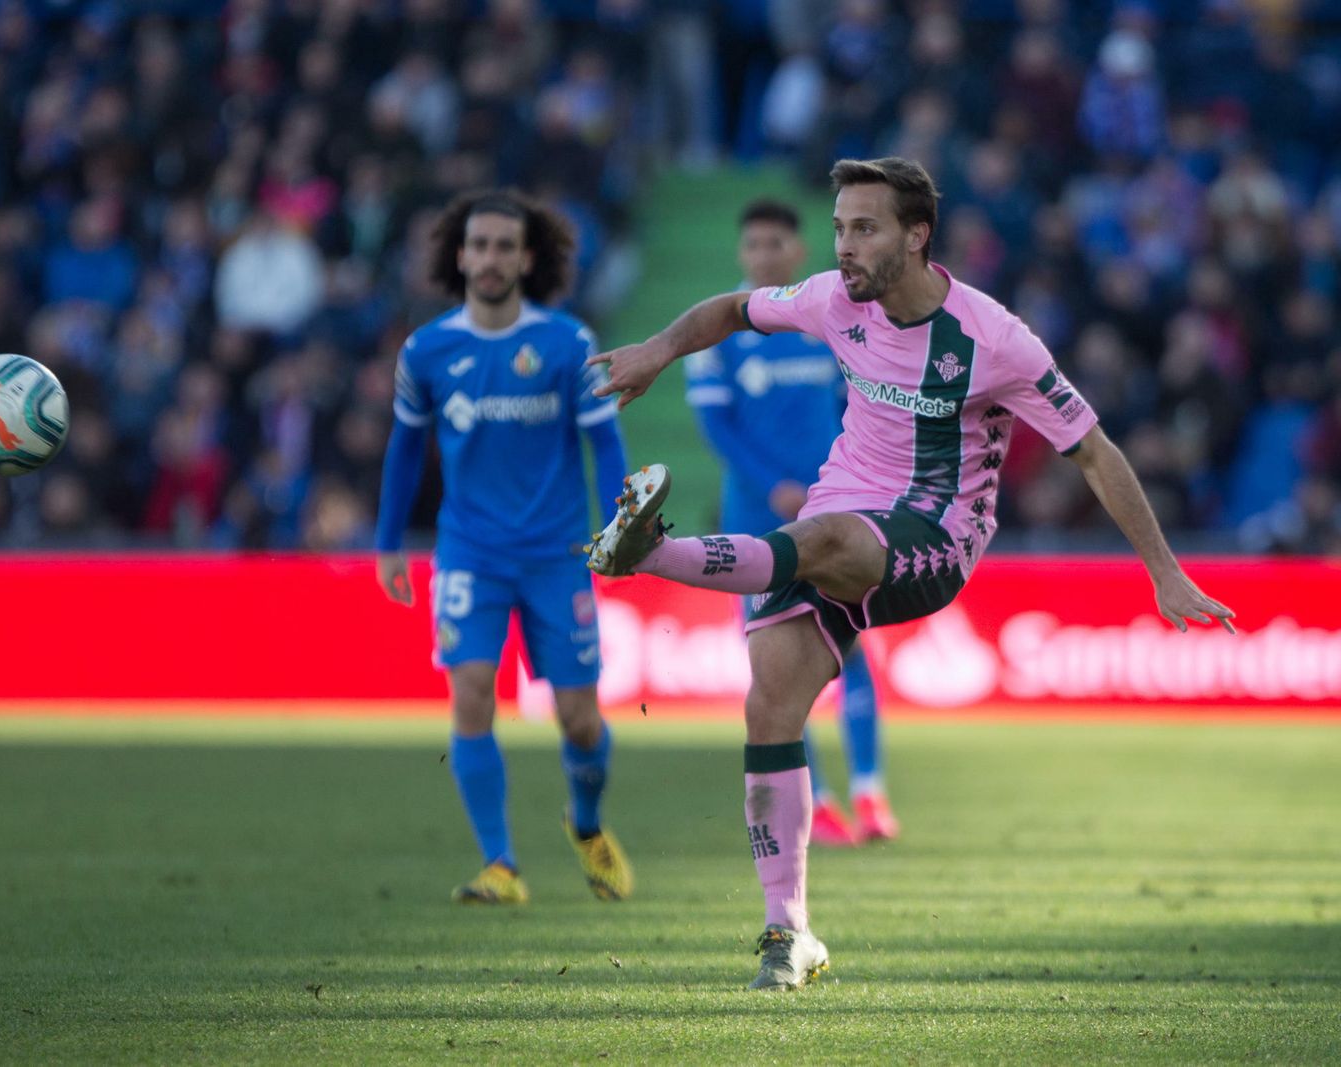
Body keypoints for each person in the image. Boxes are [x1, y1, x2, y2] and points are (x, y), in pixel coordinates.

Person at [585, 157, 1235, 990]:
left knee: (820, 540)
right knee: (770, 702)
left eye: (865, 229)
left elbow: (1096, 454)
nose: (844, 246)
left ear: (916, 236)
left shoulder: (995, 339)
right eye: (839, 228)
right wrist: (657, 350)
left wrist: (1163, 570)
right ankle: (790, 933)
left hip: (936, 535)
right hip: (835, 511)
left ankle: (652, 553)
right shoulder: (829, 299)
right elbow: (730, 310)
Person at [376, 189, 634, 906]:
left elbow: (603, 440)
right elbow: (405, 448)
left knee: (580, 717)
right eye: (478, 244)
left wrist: (620, 523)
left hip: (556, 555)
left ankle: (585, 825)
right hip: (470, 554)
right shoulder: (427, 350)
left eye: (503, 246)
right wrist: (388, 540)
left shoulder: (567, 343)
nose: (490, 257)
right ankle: (501, 863)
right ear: (459, 256)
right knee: (470, 695)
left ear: (527, 257)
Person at [686, 197, 896, 848]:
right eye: (754, 245)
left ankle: (870, 791)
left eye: (777, 243)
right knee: (778, 667)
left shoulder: (832, 319)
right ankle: (824, 802)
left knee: (851, 650)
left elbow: (856, 403)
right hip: (757, 520)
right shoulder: (719, 329)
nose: (765, 254)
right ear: (741, 254)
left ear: (799, 252)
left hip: (835, 510)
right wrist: (773, 483)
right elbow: (717, 426)